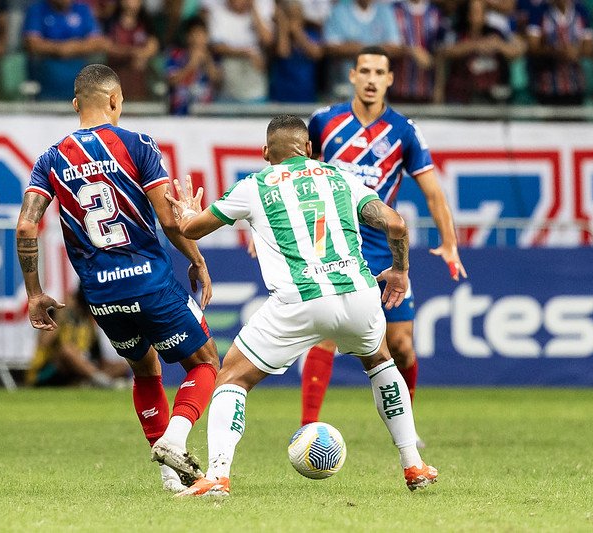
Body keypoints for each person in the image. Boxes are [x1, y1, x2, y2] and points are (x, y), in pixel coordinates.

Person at [166, 115, 438, 497]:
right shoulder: (340, 177)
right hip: (359, 294)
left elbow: (192, 230)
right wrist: (400, 270)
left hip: (301, 300)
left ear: (265, 154)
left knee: (232, 377)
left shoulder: (255, 185)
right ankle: (413, 464)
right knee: (380, 360)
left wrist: (186, 214)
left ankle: (218, 475)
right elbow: (395, 224)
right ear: (309, 149)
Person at [15, 64, 220, 493]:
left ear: (75, 104)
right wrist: (197, 258)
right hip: (148, 281)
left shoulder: (51, 159)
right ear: (114, 101)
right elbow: (167, 219)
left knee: (144, 369)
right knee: (205, 363)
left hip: (101, 294)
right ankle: (175, 441)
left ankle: (170, 481)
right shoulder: (137, 144)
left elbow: (25, 226)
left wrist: (34, 293)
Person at [302, 46, 466, 443]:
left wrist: (450, 242)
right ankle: (307, 428)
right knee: (326, 331)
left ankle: (406, 427)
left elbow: (433, 193)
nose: (372, 78)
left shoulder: (403, 131)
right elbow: (290, 171)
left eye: (380, 72)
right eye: (365, 71)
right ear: (353, 76)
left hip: (382, 248)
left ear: (390, 79)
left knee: (402, 345)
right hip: (333, 243)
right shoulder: (325, 122)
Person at [25, 286, 131, 388]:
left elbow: (96, 354)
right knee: (67, 350)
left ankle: (93, 381)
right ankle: (102, 381)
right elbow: (44, 343)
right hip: (51, 369)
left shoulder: (88, 321)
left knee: (123, 365)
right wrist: (60, 315)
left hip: (81, 369)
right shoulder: (56, 315)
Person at [22, 0, 103, 101]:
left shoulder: (83, 9)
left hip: (81, 86)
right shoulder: (37, 10)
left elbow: (97, 43)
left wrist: (71, 48)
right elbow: (32, 44)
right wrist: (59, 49)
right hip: (46, 85)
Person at [525, 0, 593, 105]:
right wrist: (555, 51)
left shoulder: (581, 11)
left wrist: (576, 52)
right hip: (546, 85)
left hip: (575, 85)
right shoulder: (539, 11)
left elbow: (589, 48)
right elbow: (532, 48)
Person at [166, 16, 221, 115]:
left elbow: (218, 82)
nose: (196, 38)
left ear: (207, 36)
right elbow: (172, 81)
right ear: (187, 36)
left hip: (206, 114)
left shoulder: (214, 57)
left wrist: (208, 62)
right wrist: (191, 64)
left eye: (200, 34)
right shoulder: (175, 54)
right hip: (179, 112)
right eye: (193, 34)